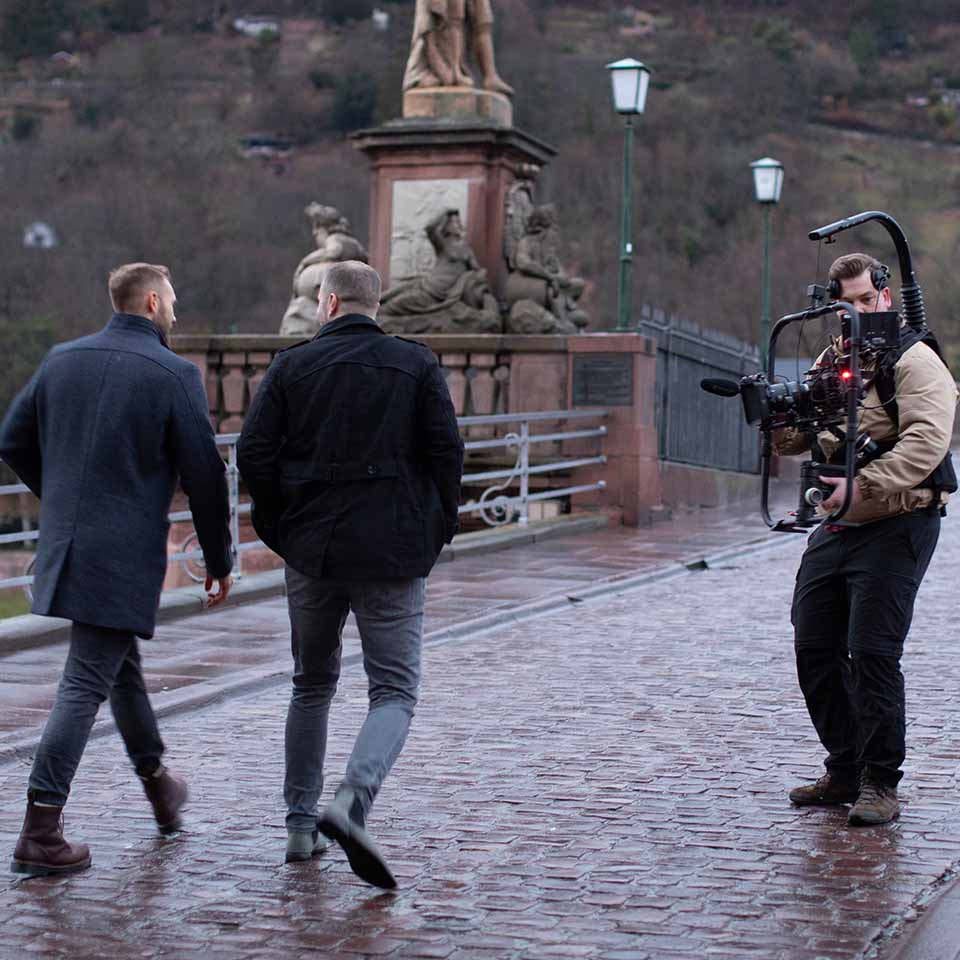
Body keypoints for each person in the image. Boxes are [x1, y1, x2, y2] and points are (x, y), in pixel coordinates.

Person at [0, 263, 234, 877]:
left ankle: (159, 786)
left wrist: (64, 497)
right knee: (83, 683)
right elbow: (206, 476)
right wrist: (218, 560)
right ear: (152, 302)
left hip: (69, 545)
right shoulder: (173, 373)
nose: (177, 313)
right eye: (174, 301)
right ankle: (40, 829)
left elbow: (12, 438)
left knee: (118, 667)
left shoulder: (62, 359)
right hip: (121, 554)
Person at [238, 260, 463, 887]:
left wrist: (282, 526)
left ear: (329, 302)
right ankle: (352, 799)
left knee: (311, 683)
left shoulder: (290, 366)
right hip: (393, 547)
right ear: (375, 304)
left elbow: (252, 454)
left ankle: (299, 825)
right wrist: (436, 530)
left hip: (313, 547)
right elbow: (447, 452)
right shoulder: (415, 363)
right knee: (393, 690)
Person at [778, 252, 957, 825]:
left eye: (863, 299)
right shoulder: (834, 360)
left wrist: (862, 487)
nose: (854, 312)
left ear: (884, 295)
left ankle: (880, 782)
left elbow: (928, 442)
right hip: (841, 520)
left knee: (874, 652)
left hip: (899, 519)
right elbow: (798, 436)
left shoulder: (915, 359)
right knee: (814, 645)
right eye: (843, 304)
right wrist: (777, 416)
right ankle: (845, 768)